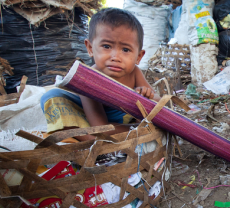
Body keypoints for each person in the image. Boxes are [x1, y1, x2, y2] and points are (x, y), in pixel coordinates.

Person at [40, 8, 160, 141]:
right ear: (90, 48)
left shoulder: (134, 72)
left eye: (125, 49)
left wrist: (147, 94)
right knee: (52, 97)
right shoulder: (89, 79)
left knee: (154, 104)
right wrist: (138, 130)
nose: (115, 57)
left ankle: (122, 136)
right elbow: (99, 126)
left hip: (123, 122)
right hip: (91, 122)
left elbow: (159, 104)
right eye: (107, 46)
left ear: (138, 56)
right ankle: (92, 142)